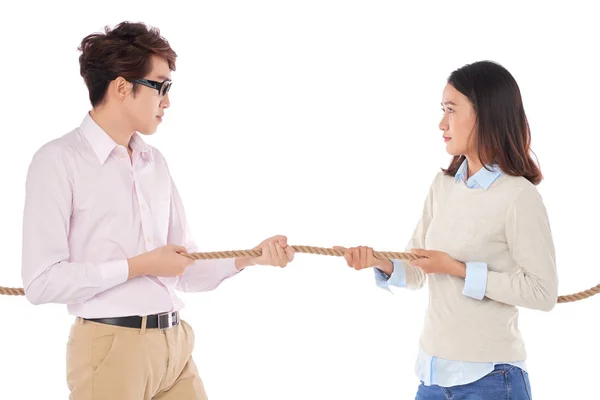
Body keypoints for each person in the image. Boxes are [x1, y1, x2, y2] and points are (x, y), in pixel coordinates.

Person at [20, 21, 294, 400]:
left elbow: (181, 266)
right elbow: (40, 283)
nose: (167, 101)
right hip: (111, 348)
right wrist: (140, 265)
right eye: (160, 86)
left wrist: (251, 258)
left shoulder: (155, 162)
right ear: (121, 87)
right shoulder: (57, 161)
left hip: (175, 346)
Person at [335, 60, 557, 399]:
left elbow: (542, 292)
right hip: (433, 379)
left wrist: (457, 269)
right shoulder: (443, 185)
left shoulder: (518, 197)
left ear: (485, 114)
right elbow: (417, 268)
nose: (442, 123)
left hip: (492, 380)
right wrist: (380, 262)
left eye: (451, 110)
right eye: (442, 110)